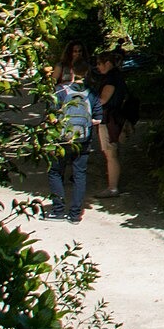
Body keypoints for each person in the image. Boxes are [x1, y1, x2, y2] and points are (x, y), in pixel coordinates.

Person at [46, 57, 97, 221]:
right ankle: (75, 215)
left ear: (71, 72)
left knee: (55, 171)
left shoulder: (60, 91)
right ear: (87, 72)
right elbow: (97, 118)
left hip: (62, 138)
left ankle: (58, 210)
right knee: (79, 175)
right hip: (83, 139)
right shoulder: (91, 93)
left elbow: (51, 116)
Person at [88, 49, 129, 197]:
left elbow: (103, 100)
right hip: (115, 117)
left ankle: (112, 188)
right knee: (112, 152)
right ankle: (112, 185)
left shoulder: (111, 78)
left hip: (109, 118)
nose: (98, 67)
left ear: (107, 63)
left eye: (99, 64)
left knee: (110, 153)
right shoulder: (117, 76)